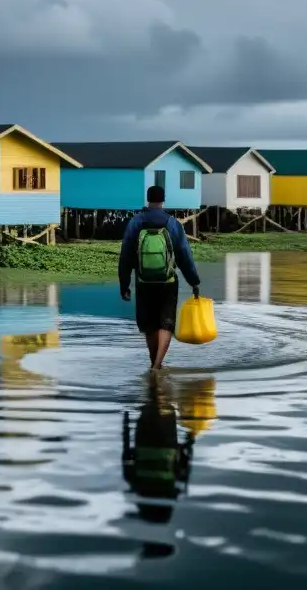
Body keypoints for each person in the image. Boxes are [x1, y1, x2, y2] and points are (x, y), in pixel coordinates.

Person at [118, 185, 201, 370]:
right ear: (163, 200)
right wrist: (194, 281)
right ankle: (157, 364)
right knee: (166, 323)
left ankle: (153, 362)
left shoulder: (136, 222)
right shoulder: (172, 223)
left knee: (149, 323)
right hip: (168, 282)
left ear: (148, 199)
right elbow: (184, 255)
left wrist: (124, 284)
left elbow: (125, 256)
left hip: (143, 281)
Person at [121, 374, 195, 525]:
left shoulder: (174, 488)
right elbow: (127, 457)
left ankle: (158, 372)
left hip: (167, 439)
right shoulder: (138, 487)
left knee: (163, 400)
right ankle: (156, 372)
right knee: (151, 400)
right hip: (145, 437)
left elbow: (185, 459)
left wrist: (190, 434)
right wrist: (126, 424)